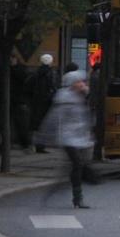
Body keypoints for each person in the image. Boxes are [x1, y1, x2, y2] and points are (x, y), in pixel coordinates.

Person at [34, 70, 96, 209]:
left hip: (80, 137)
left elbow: (85, 118)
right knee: (77, 164)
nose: (83, 84)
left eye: (83, 82)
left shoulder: (81, 97)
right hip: (68, 137)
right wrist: (43, 136)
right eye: (79, 82)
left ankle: (63, 190)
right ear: (71, 83)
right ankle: (77, 198)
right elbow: (53, 118)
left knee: (74, 167)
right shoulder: (65, 98)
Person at [26, 54, 57, 153]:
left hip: (36, 102)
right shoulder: (50, 73)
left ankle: (31, 145)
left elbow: (28, 87)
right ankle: (40, 146)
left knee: (34, 125)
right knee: (44, 125)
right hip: (46, 102)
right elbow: (52, 87)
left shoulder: (35, 73)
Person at [9, 55, 31, 151]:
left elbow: (23, 78)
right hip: (13, 99)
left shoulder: (20, 69)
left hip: (18, 100)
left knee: (21, 123)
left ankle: (24, 144)